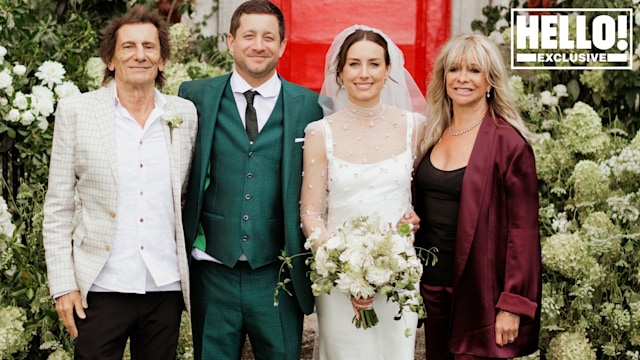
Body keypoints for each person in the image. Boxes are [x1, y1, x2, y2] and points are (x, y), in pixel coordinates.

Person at [42, 4, 197, 359]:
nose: (139, 55)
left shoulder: (183, 115)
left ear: (161, 60)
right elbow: (58, 208)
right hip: (100, 285)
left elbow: (188, 195)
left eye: (149, 47)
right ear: (110, 59)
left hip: (165, 287)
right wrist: (63, 284)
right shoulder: (77, 112)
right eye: (128, 46)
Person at [177, 1, 324, 359]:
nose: (259, 45)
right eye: (249, 36)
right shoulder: (194, 97)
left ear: (282, 46)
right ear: (230, 41)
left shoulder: (309, 105)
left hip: (277, 273)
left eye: (268, 37)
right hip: (213, 269)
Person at [299, 25, 428, 360]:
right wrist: (342, 271)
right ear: (340, 72)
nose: (364, 73)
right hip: (339, 282)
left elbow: (426, 192)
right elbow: (310, 213)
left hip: (398, 273)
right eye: (354, 64)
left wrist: (415, 218)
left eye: (374, 63)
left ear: (389, 70)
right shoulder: (319, 133)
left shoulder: (415, 127)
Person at [413, 33, 541, 359]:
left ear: (490, 81)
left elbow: (522, 233)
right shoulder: (432, 133)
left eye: (474, 70)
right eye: (454, 69)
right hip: (431, 287)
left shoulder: (509, 144)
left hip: (479, 294)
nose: (463, 78)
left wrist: (512, 304)